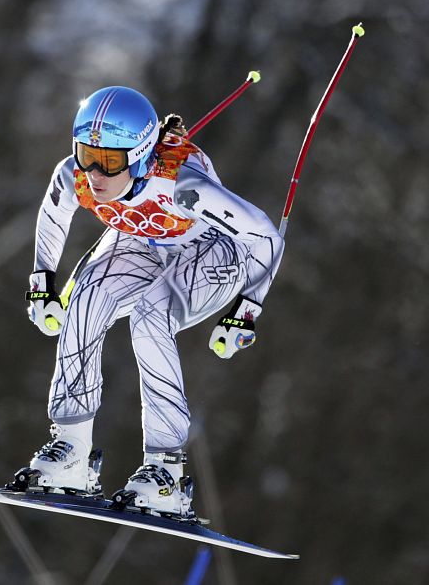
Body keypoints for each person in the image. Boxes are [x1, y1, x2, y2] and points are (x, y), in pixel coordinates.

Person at [23, 86, 284, 518]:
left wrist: (245, 311)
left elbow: (264, 238)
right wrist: (42, 283)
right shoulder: (77, 176)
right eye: (86, 154)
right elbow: (54, 213)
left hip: (213, 249)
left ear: (141, 154)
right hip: (146, 239)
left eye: (108, 162)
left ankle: (166, 473)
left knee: (150, 316)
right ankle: (71, 450)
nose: (94, 174)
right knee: (88, 297)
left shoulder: (182, 187)